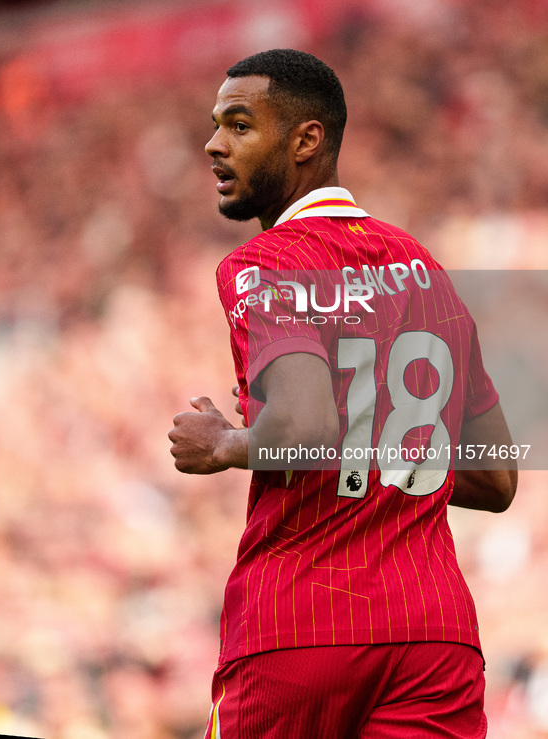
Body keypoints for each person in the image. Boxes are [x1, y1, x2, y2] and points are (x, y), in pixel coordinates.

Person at [169, 49, 517, 738]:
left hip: (299, 627)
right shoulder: (425, 269)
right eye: (215, 125)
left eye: (238, 125)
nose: (213, 144)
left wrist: (223, 444)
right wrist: (378, 434)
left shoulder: (261, 262)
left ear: (306, 141)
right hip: (434, 637)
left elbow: (301, 428)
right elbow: (494, 473)